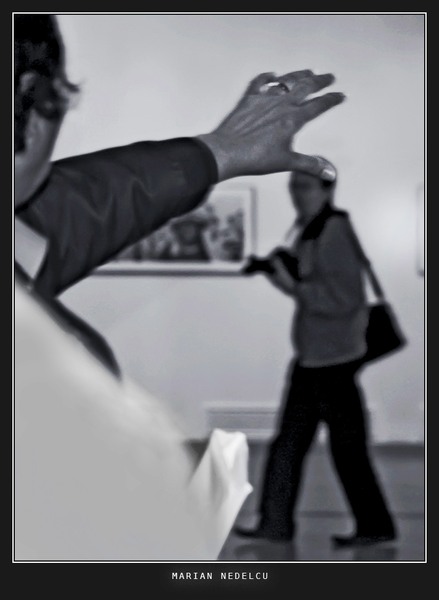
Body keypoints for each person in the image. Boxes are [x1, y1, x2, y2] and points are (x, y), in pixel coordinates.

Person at [13, 14, 345, 559]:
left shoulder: (331, 233)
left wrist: (216, 152)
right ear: (34, 106)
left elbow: (74, 209)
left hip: (327, 355)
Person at [236, 163, 397, 548]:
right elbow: (312, 288)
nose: (298, 194)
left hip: (334, 360)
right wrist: (281, 276)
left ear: (327, 190)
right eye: (294, 186)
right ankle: (275, 524)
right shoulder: (310, 230)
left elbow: (343, 299)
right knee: (290, 445)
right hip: (313, 357)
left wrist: (293, 284)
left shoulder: (333, 230)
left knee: (345, 449)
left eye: (306, 187)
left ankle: (375, 526)